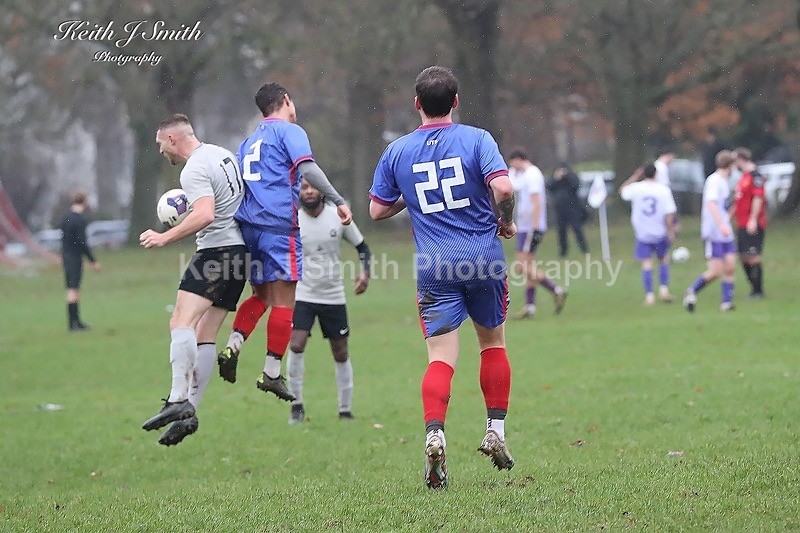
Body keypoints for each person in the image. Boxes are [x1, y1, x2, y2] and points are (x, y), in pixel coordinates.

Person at [369, 66, 516, 490]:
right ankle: (495, 431)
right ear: (455, 101)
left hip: (435, 265)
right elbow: (504, 189)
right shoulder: (477, 139)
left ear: (417, 103)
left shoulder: (397, 151)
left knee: (440, 357)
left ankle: (435, 435)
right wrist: (505, 223)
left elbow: (377, 210)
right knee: (492, 343)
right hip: (482, 258)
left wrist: (412, 198)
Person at [216, 83, 352, 401]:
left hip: (247, 225)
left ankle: (233, 345)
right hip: (277, 225)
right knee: (285, 300)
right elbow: (307, 168)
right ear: (287, 100)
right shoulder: (290, 131)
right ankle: (272, 373)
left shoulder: (248, 141)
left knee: (262, 294)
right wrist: (336, 199)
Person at [139, 114, 247, 446]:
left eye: (160, 144)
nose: (160, 152)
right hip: (241, 253)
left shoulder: (194, 168)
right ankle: (190, 414)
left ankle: (177, 399)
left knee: (180, 320)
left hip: (216, 253)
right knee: (205, 333)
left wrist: (164, 237)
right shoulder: (223, 154)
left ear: (173, 139)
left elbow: (205, 214)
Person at [284, 179, 372, 424]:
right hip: (303, 294)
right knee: (297, 344)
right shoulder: (294, 220)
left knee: (340, 351)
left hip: (333, 295)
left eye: (313, 186)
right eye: (304, 187)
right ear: (298, 192)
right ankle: (296, 405)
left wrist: (365, 273)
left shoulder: (338, 216)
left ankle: (345, 410)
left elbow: (363, 248)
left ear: (322, 190)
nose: (309, 191)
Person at [507, 150, 567, 319]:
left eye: (513, 163)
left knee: (521, 267)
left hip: (530, 227)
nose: (512, 166)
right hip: (525, 226)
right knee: (529, 267)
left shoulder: (532, 174)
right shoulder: (520, 173)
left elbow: (536, 202)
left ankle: (556, 290)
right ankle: (530, 307)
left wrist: (535, 227)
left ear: (519, 160)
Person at [683, 150, 737, 312]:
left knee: (730, 267)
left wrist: (730, 215)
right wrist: (721, 224)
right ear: (730, 165)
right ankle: (692, 291)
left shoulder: (724, 181)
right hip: (714, 233)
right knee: (715, 271)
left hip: (725, 232)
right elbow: (711, 204)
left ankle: (726, 303)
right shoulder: (714, 181)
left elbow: (722, 207)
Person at [619, 163, 677, 306]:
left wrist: (635, 176)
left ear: (643, 173)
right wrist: (671, 230)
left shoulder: (636, 188)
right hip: (659, 231)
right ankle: (664, 290)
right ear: (656, 174)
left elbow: (622, 191)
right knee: (663, 259)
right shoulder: (663, 190)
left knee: (646, 263)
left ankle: (649, 295)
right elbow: (669, 212)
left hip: (642, 232)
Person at [60, 190, 101, 331]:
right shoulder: (80, 220)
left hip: (66, 257)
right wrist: (92, 260)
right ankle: (74, 324)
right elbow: (82, 242)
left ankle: (76, 322)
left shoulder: (65, 218)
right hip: (75, 258)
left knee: (72, 290)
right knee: (73, 291)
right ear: (84, 201)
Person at [733, 147, 767, 298]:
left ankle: (758, 290)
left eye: (735, 161)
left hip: (752, 222)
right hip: (741, 223)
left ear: (741, 159)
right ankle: (753, 287)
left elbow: (758, 198)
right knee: (743, 256)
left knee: (753, 256)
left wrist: (753, 219)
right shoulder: (743, 176)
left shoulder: (755, 175)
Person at [547, 163, 588, 257]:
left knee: (577, 228)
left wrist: (566, 176)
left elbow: (575, 186)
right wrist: (556, 178)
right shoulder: (554, 179)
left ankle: (584, 248)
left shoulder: (571, 177)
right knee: (561, 231)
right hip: (559, 208)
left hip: (572, 206)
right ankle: (563, 251)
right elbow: (549, 186)